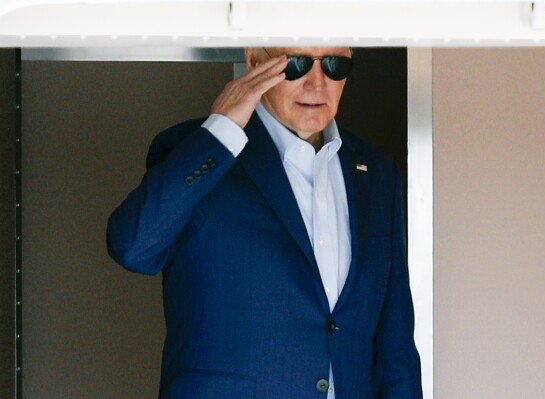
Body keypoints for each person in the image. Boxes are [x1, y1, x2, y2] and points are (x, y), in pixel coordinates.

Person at [106, 47, 422, 399]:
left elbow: (395, 344)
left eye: (335, 65)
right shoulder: (197, 152)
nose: (317, 83)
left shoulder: (376, 174)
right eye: (297, 64)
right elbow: (132, 247)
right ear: (255, 60)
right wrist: (222, 131)